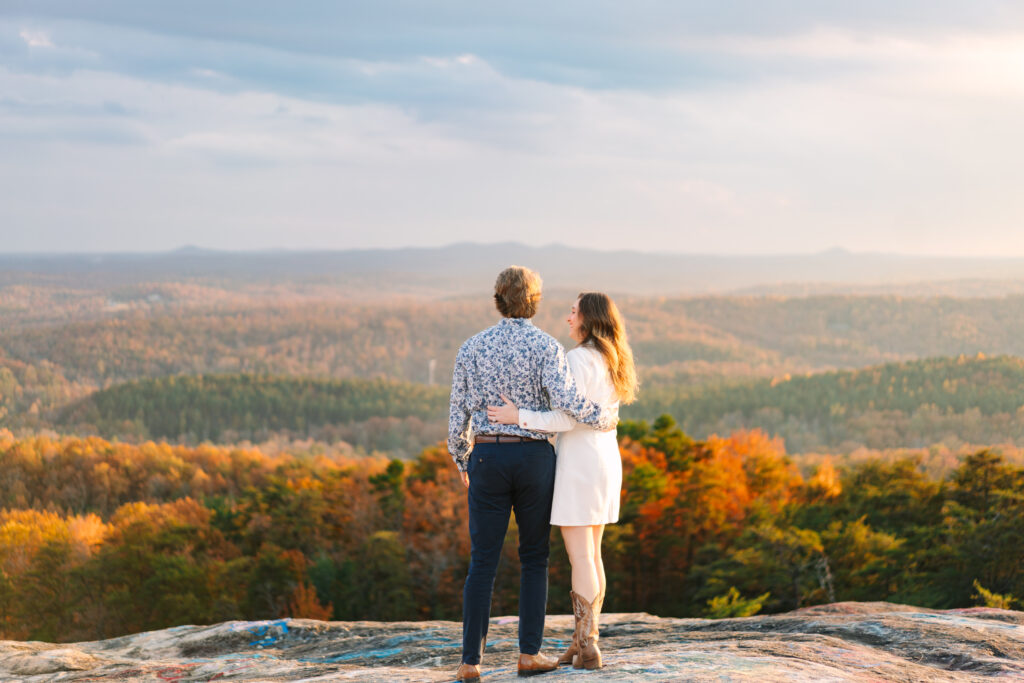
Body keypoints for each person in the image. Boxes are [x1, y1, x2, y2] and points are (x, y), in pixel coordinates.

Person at [448, 267, 617, 683]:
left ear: (498, 300)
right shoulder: (547, 348)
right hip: (535, 460)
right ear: (535, 303)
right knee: (534, 558)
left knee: (482, 562)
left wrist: (462, 458)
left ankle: (471, 662)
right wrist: (605, 416)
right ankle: (529, 655)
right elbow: (568, 402)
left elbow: (457, 416)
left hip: (487, 457)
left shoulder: (472, 347)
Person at [487, 292, 637, 671]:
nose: (568, 319)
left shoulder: (576, 358)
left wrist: (517, 415)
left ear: (588, 319)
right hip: (606, 459)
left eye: (573, 313)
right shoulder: (614, 358)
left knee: (580, 555)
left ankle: (587, 646)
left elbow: (567, 418)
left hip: (580, 462)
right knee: (594, 553)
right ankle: (583, 640)